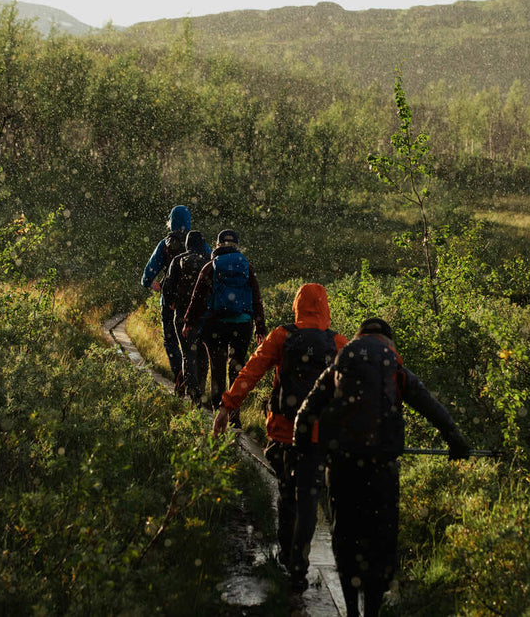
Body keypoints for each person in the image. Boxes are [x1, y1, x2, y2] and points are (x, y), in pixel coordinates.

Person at [294, 317, 471, 617]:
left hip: (342, 465)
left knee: (345, 535)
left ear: (359, 336)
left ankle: (351, 609)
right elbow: (429, 405)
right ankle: (373, 611)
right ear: (387, 340)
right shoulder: (394, 366)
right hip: (382, 467)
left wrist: (306, 451)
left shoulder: (342, 361)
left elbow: (306, 412)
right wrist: (456, 442)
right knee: (380, 538)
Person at [213, 283, 347, 592]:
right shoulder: (338, 343)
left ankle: (286, 557)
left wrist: (227, 406)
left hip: (284, 432)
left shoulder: (282, 336)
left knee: (287, 494)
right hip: (317, 435)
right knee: (309, 498)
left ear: (297, 306)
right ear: (325, 307)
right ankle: (299, 562)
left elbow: (251, 370)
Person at [182, 229, 266, 418]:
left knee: (217, 368)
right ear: (236, 245)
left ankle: (216, 411)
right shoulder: (246, 267)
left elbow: (197, 298)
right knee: (236, 369)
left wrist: (188, 322)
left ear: (217, 245)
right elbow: (256, 299)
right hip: (242, 325)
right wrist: (260, 328)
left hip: (215, 325)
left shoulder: (211, 266)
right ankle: (234, 415)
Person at [140, 206, 209, 383]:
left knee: (171, 341)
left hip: (170, 301)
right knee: (196, 344)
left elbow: (149, 272)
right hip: (195, 302)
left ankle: (180, 376)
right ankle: (196, 386)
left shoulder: (165, 244)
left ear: (171, 221)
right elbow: (211, 263)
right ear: (189, 221)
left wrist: (150, 284)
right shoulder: (197, 242)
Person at [163, 230, 210, 404]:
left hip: (182, 313)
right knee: (203, 355)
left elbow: (168, 286)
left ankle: (192, 393)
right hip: (203, 315)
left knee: (187, 355)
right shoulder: (208, 261)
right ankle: (202, 391)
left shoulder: (178, 260)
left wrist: (171, 303)